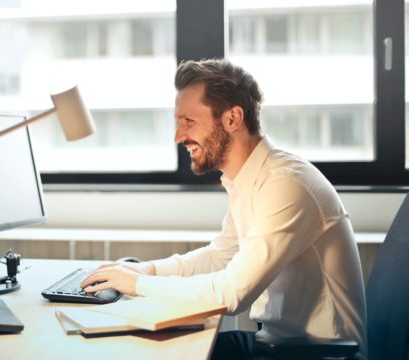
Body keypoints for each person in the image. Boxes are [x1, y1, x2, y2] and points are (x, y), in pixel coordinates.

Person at [81, 59, 367, 359]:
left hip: (316, 354)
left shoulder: (286, 185)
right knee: (151, 347)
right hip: (275, 344)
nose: (178, 136)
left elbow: (232, 294)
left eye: (188, 121)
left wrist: (138, 284)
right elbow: (220, 257)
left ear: (232, 119)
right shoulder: (249, 179)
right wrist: (146, 270)